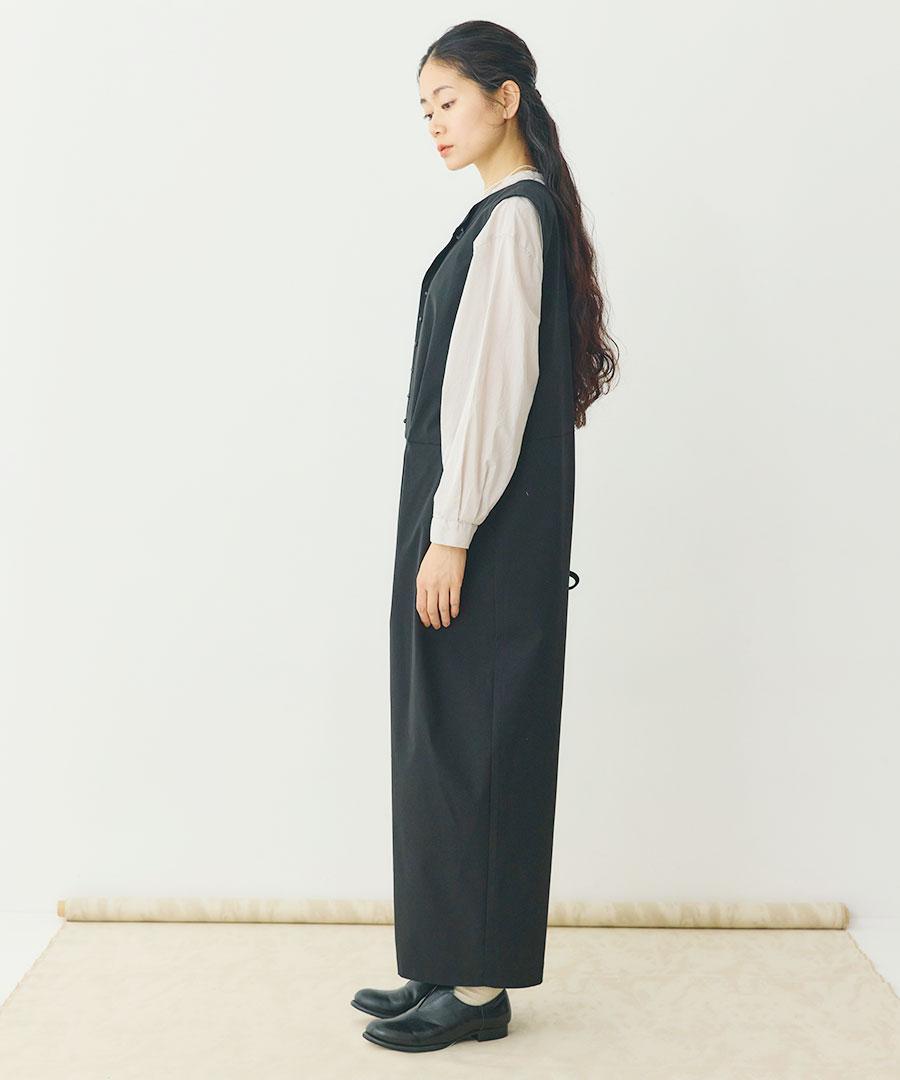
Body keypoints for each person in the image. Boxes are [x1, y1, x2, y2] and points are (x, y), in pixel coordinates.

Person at [353, 20, 618, 1052]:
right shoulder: (501, 217)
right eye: (424, 108)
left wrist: (452, 530)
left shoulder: (514, 221)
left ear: (506, 99)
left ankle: (475, 989)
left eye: (448, 100)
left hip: (482, 530)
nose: (434, 122)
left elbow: (493, 398)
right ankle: (441, 961)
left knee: (480, 747)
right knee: (445, 741)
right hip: (460, 519)